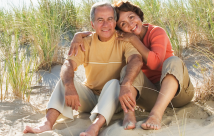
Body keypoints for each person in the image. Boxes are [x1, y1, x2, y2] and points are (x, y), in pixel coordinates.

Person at [68, 0, 195, 131]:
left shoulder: (156, 32)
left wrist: (134, 39)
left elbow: (155, 63)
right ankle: (129, 115)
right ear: (120, 28)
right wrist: (77, 36)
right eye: (123, 24)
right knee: (127, 70)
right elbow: (102, 29)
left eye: (131, 17)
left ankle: (155, 115)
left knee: (173, 61)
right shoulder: (124, 39)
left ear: (138, 14)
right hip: (151, 96)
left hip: (178, 94)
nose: (131, 24)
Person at [23, 2, 144, 136]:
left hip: (114, 99)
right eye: (100, 20)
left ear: (115, 21)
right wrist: (69, 86)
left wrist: (126, 84)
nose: (106, 24)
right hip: (90, 98)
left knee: (114, 83)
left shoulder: (123, 39)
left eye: (110, 19)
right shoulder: (84, 41)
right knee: (65, 81)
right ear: (92, 24)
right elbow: (68, 65)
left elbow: (136, 60)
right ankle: (47, 124)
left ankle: (94, 127)